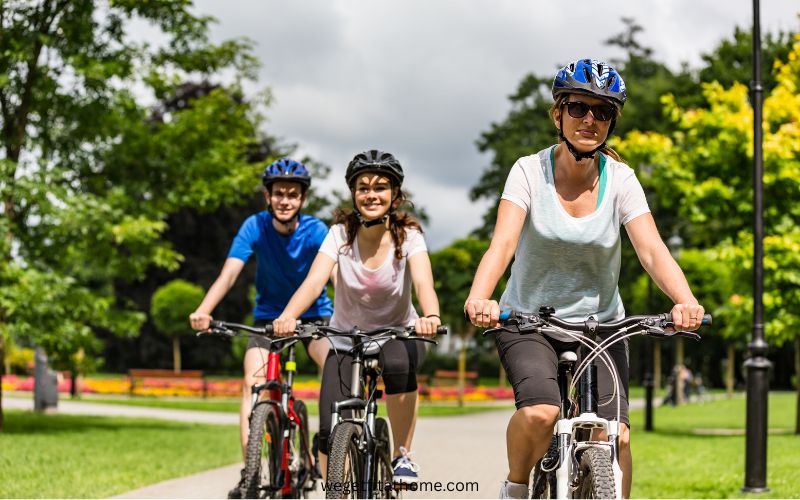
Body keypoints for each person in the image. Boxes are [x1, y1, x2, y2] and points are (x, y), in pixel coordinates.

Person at [463, 58, 705, 499]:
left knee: (616, 436)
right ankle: (515, 487)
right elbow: (502, 245)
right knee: (540, 413)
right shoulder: (528, 172)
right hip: (528, 321)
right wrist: (481, 296)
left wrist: (684, 300)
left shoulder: (622, 180)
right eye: (578, 108)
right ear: (558, 114)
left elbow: (651, 250)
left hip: (601, 326)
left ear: (612, 121)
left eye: (602, 111)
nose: (589, 119)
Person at [272, 150, 441, 485]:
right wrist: (288, 316)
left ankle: (401, 454)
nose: (371, 194)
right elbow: (314, 281)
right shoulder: (339, 235)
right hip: (345, 338)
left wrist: (431, 315)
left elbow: (423, 282)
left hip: (400, 334)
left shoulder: (408, 237)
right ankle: (337, 486)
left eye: (380, 187)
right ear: (353, 193)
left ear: (395, 195)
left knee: (396, 365)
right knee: (327, 430)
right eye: (363, 187)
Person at [189, 158, 334, 499]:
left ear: (303, 199)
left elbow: (337, 276)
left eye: (293, 194)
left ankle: (327, 437)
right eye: (279, 193)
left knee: (335, 366)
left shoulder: (316, 230)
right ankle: (250, 473)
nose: (285, 200)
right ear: (268, 196)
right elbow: (229, 274)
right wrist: (204, 310)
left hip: (314, 318)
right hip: (268, 320)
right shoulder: (254, 226)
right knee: (252, 385)